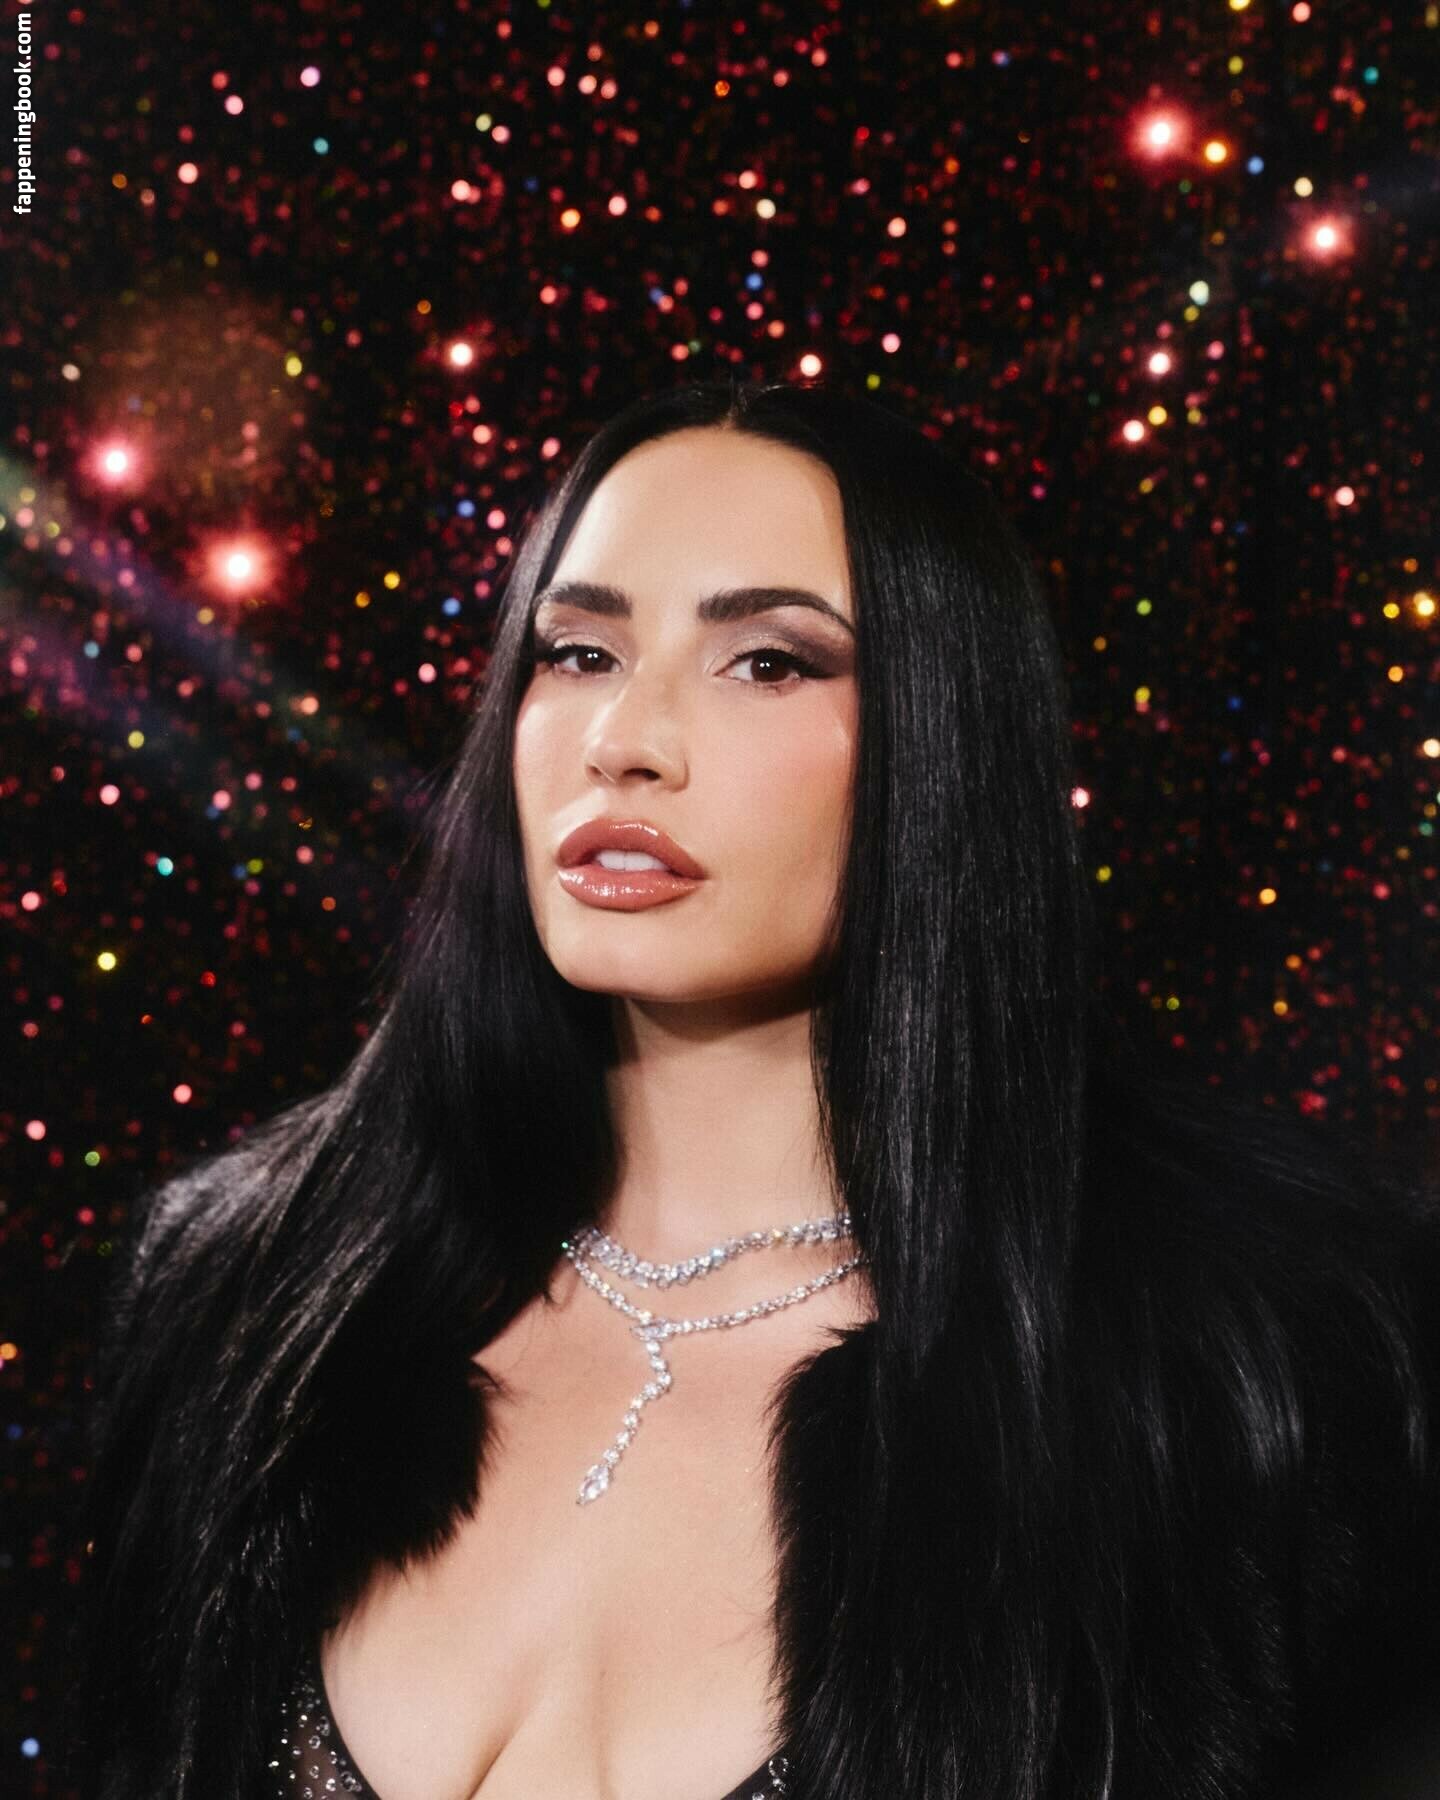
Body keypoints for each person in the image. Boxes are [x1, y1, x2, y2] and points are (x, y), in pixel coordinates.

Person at [66, 378, 1440, 1800]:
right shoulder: (246, 1296)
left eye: (769, 662)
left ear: (946, 735)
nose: (624, 739)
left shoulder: (1246, 1382)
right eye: (579, 651)